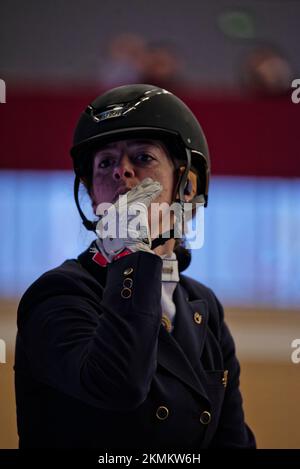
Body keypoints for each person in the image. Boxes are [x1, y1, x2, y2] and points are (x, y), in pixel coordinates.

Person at [14, 84, 256, 449]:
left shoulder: (202, 305)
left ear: (186, 187)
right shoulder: (58, 294)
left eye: (142, 158)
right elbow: (118, 387)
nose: (121, 173)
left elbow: (231, 441)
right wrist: (131, 256)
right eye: (106, 162)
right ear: (92, 194)